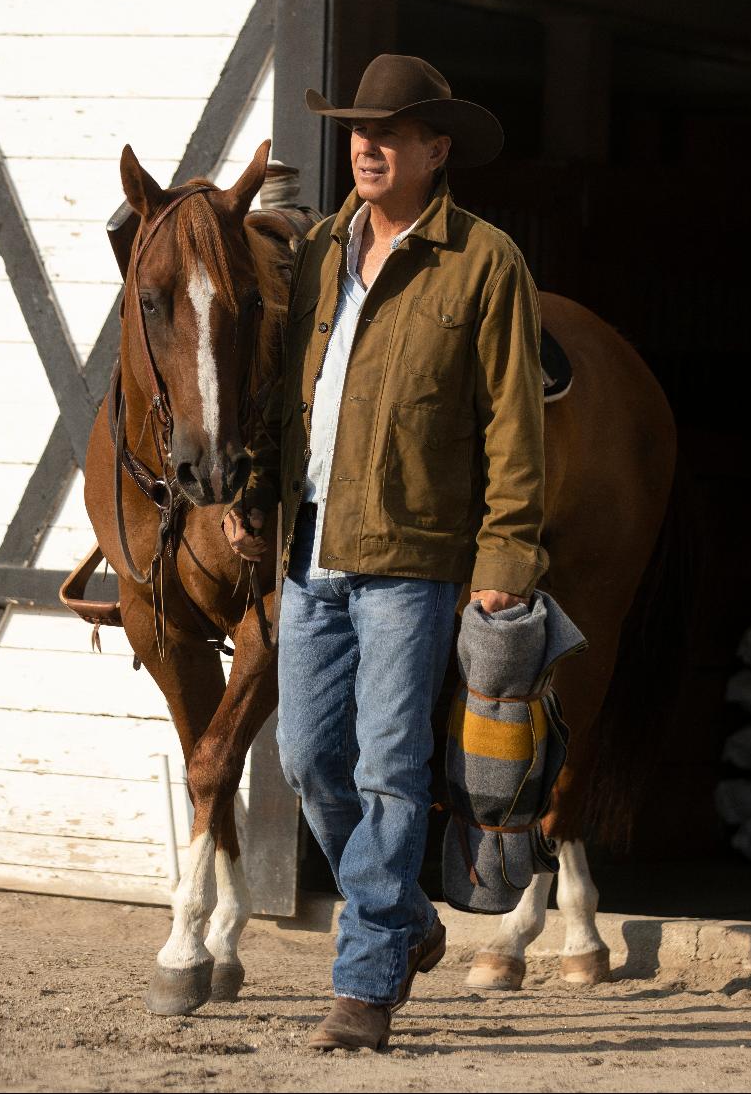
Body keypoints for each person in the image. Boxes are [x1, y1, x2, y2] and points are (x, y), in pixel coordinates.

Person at [223, 53, 547, 1051]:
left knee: (390, 769)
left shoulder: (485, 261)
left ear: (435, 149)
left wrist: (507, 557)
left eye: (390, 132)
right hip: (314, 550)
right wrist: (253, 496)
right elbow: (285, 398)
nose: (367, 146)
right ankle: (405, 917)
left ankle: (364, 985)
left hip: (415, 556)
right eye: (358, 130)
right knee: (309, 754)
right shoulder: (319, 250)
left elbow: (512, 423)